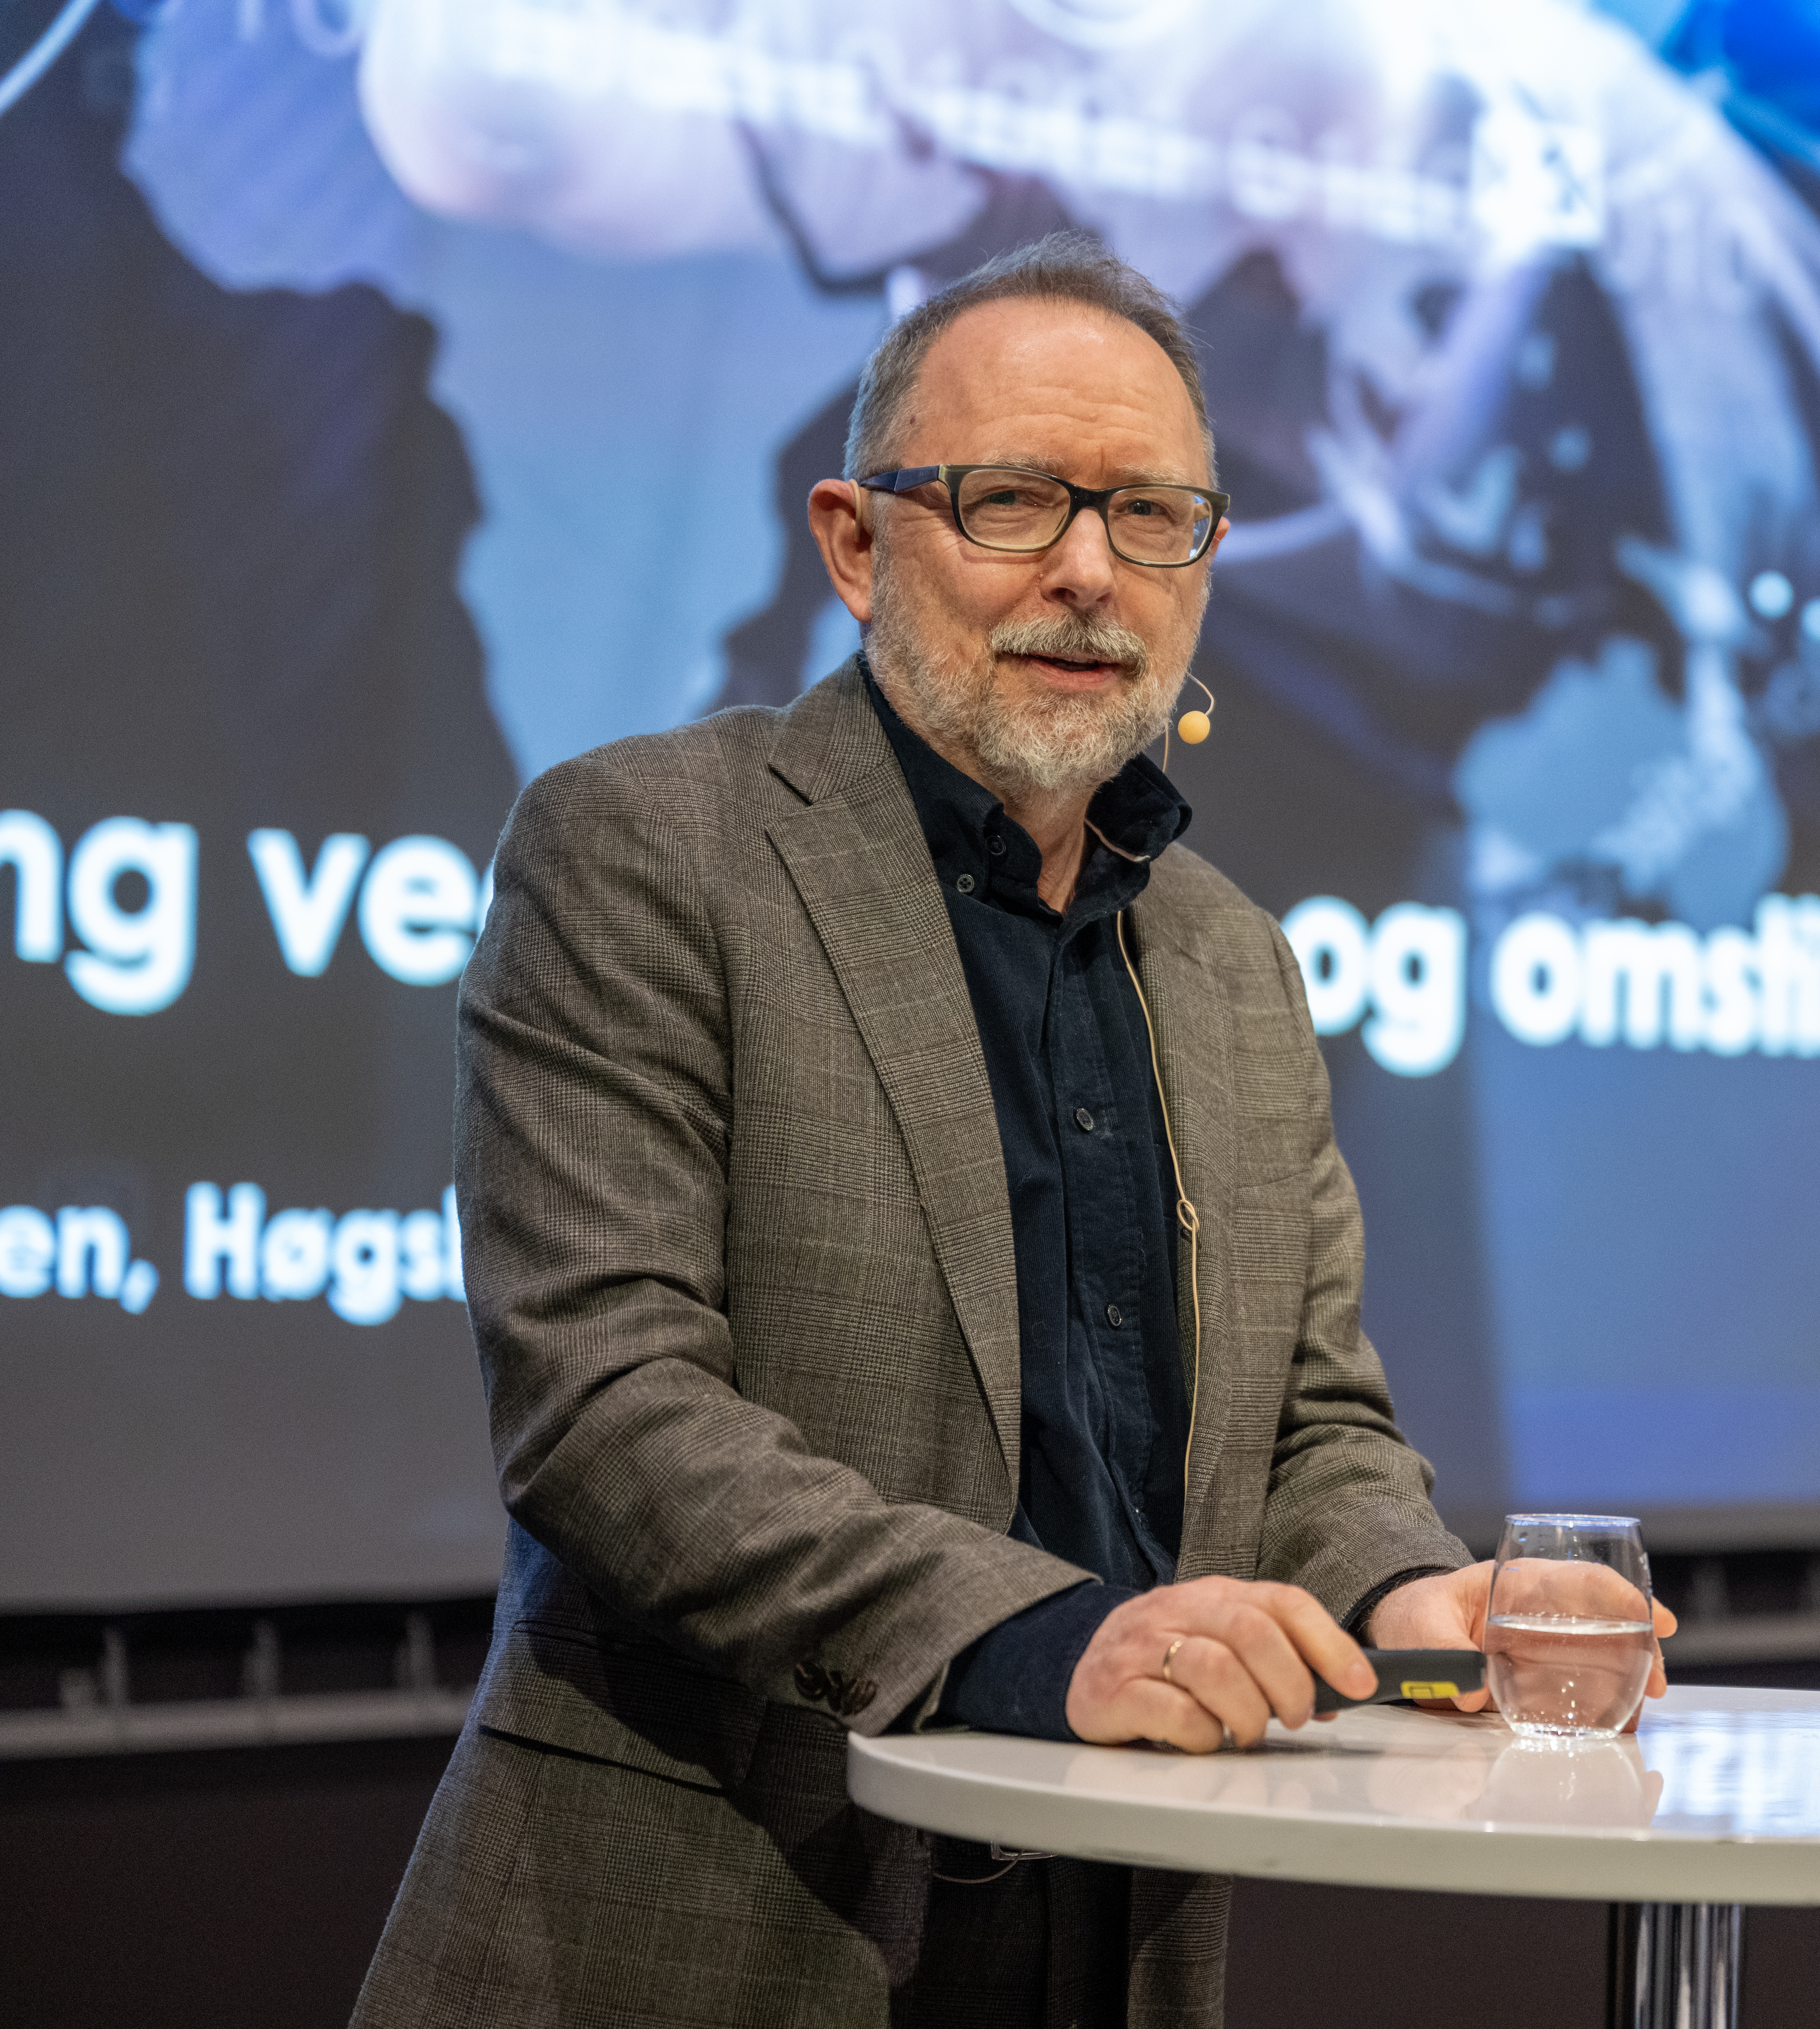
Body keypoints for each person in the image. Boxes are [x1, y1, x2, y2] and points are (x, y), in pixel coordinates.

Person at [352, 232, 1668, 2029]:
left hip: (1114, 1931)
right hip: (697, 1928)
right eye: (1013, 500)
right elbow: (608, 1409)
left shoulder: (1238, 962)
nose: (1089, 572)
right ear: (853, 541)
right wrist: (1043, 1636)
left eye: (1153, 517)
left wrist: (1410, 1595)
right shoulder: (643, 850)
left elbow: (1312, 1428)